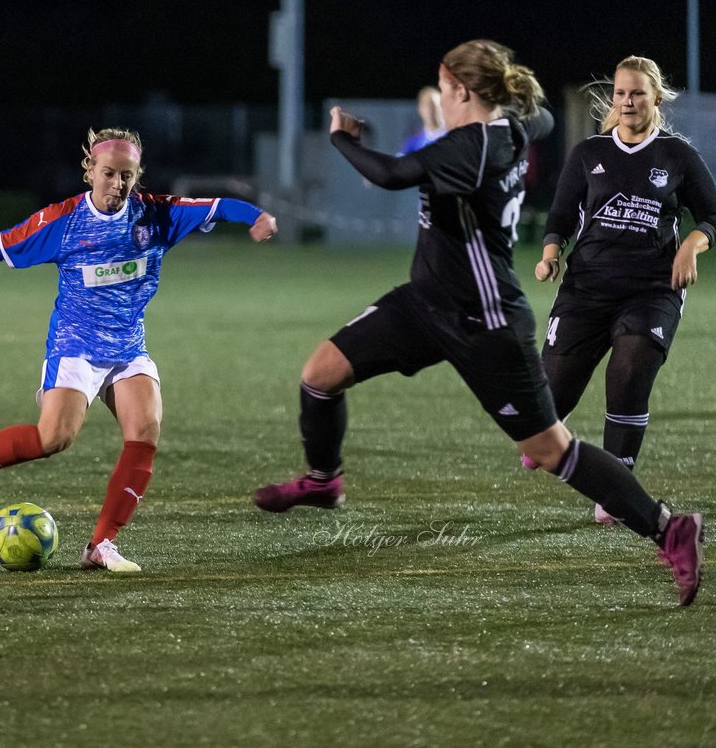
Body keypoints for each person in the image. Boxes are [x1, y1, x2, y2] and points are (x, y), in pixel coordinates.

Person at [253, 40, 704, 607]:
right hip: (425, 302)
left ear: (461, 91)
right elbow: (538, 118)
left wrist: (341, 138)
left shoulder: (474, 143)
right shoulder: (515, 127)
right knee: (320, 373)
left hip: (484, 320)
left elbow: (393, 174)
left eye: (443, 87)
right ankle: (324, 479)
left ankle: (669, 528)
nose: (438, 96)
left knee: (552, 452)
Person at [0, 128, 278, 571]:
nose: (118, 184)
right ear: (90, 172)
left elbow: (219, 206)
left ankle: (100, 545)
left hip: (127, 347)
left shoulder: (157, 215)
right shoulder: (62, 222)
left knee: (145, 431)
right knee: (52, 438)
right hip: (74, 344)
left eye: (127, 176)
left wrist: (256, 216)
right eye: (110, 173)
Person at [532, 56, 716, 525]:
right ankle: (543, 433)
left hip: (653, 289)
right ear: (612, 98)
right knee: (549, 397)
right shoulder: (589, 153)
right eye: (620, 93)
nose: (627, 101)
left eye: (637, 92)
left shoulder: (677, 155)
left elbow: (713, 216)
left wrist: (692, 245)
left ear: (656, 97)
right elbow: (560, 216)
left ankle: (614, 489)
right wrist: (551, 252)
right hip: (587, 287)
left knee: (631, 372)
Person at [398, 85, 447, 155]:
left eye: (435, 106)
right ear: (420, 109)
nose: (432, 112)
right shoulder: (413, 144)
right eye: (428, 107)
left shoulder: (455, 138)